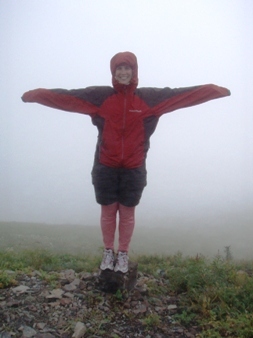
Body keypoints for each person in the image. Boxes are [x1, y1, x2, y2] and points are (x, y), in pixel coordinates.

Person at [22, 51, 230, 273]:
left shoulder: (149, 99)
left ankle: (123, 254)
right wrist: (36, 95)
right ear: (113, 73)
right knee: (108, 211)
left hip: (134, 167)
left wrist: (215, 92)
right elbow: (66, 98)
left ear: (134, 71)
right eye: (118, 69)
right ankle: (108, 251)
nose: (123, 72)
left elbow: (184, 95)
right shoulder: (100, 97)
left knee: (128, 213)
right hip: (105, 165)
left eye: (127, 68)